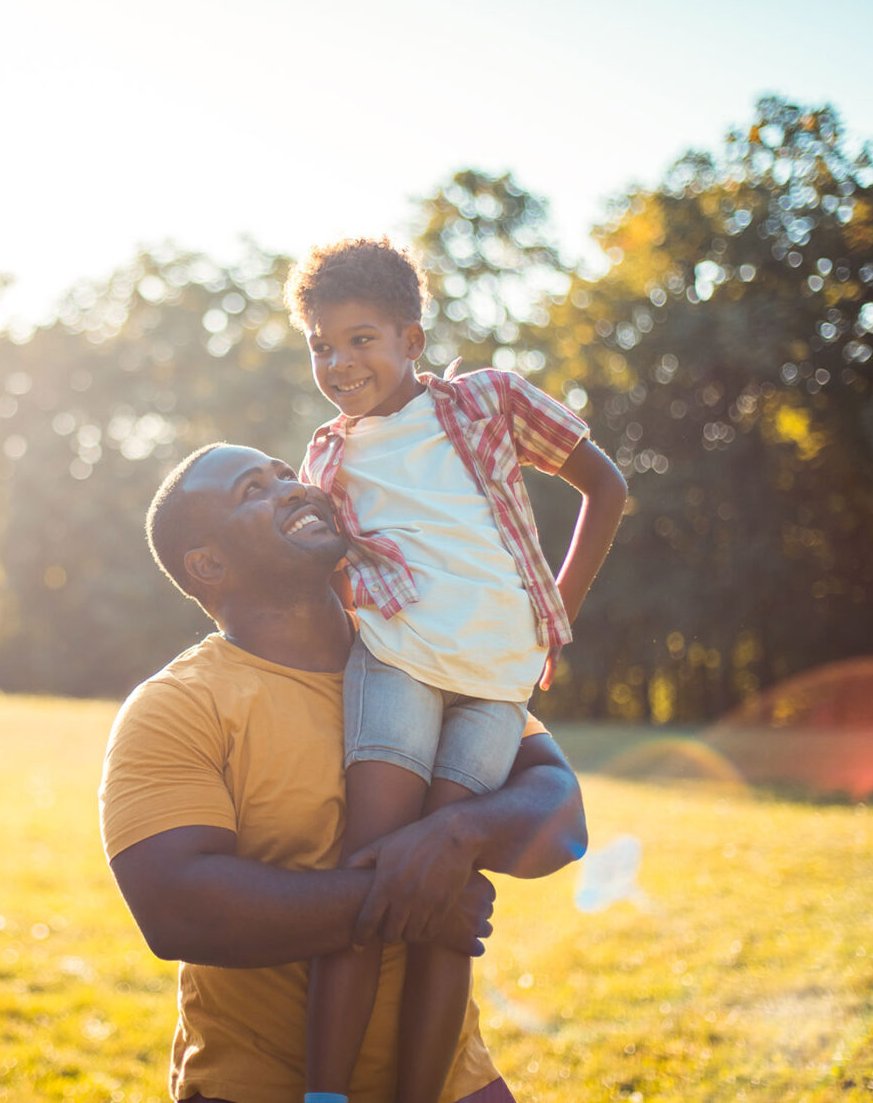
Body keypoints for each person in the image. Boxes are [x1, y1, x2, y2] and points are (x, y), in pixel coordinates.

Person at [101, 443, 588, 1103]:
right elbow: (178, 908)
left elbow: (560, 809)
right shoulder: (176, 707)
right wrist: (415, 901)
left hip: (451, 1084)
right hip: (257, 1087)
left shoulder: (423, 647)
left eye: (285, 474)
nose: (293, 488)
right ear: (209, 564)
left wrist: (458, 838)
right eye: (254, 490)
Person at [286, 239, 627, 1103]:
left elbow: (607, 486)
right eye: (321, 345)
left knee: (444, 898)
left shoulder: (487, 403)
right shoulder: (327, 459)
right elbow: (314, 578)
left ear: (411, 338)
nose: (338, 362)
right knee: (368, 874)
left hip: (494, 685)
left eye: (360, 340)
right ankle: (324, 1096)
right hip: (397, 668)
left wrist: (556, 613)